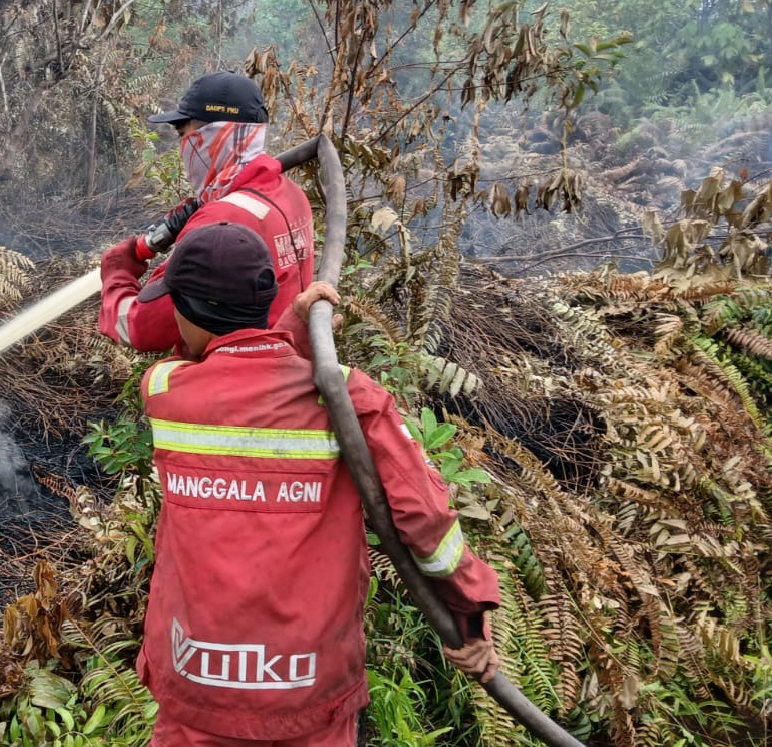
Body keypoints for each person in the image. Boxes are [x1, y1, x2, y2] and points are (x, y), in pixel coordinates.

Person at [132, 220, 501, 746]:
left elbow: (228, 374)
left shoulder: (165, 391)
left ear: (191, 310)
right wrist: (469, 619)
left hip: (196, 683)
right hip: (305, 685)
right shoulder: (350, 397)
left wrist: (292, 325)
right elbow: (426, 520)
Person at [98, 71, 316, 355]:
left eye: (183, 135)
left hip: (230, 383)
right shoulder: (290, 194)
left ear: (211, 137)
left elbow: (143, 327)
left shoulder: (219, 221)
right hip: (284, 367)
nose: (182, 149)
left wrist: (117, 273)